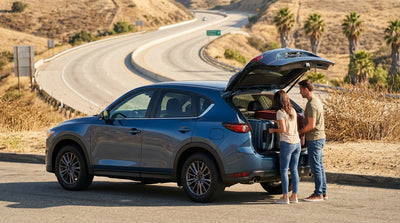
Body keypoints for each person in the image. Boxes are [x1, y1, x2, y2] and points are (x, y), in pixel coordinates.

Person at [268, 90, 301, 204]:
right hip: (297, 143)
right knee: (294, 170)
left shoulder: (280, 112)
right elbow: (289, 125)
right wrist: (276, 122)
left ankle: (285, 197)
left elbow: (283, 129)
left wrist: (273, 130)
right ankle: (294, 196)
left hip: (287, 143)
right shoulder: (292, 110)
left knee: (283, 170)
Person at [298, 79, 328, 202]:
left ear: (306, 89)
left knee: (316, 167)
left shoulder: (311, 105)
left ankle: (318, 193)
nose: (300, 93)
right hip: (320, 137)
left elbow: (311, 125)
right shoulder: (316, 101)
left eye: (300, 90)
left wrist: (299, 132)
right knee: (319, 165)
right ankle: (323, 192)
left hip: (315, 138)